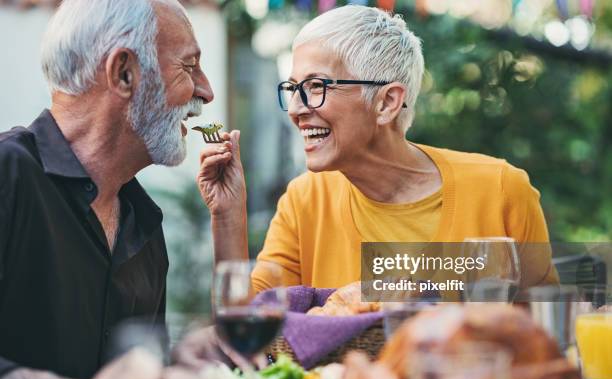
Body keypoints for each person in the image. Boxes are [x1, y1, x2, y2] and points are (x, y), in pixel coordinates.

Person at [198, 5, 558, 293]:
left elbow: (545, 337)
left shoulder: (500, 191)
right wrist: (228, 215)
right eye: (292, 89)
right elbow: (250, 329)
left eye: (316, 86)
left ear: (387, 102)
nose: (295, 109)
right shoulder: (305, 201)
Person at [0, 0, 240, 379]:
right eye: (189, 66)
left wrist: (172, 369)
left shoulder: (142, 222)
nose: (206, 91)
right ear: (124, 73)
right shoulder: (9, 175)